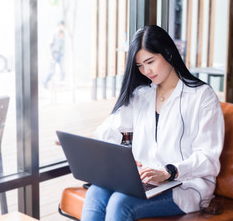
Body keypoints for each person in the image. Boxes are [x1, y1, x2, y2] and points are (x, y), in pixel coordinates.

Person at [81, 25, 224, 220]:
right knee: (96, 192)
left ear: (168, 53)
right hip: (146, 181)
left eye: (150, 62)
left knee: (119, 203)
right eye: (140, 66)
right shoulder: (142, 95)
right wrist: (110, 156)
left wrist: (169, 171)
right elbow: (108, 130)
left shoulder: (202, 96)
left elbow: (208, 158)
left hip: (187, 185)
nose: (146, 71)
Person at [43, 21, 66, 89]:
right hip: (54, 54)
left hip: (60, 54)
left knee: (62, 70)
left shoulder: (62, 34)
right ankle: (45, 81)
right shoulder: (53, 33)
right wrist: (50, 55)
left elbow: (62, 45)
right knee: (52, 71)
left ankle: (61, 85)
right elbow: (50, 45)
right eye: (62, 26)